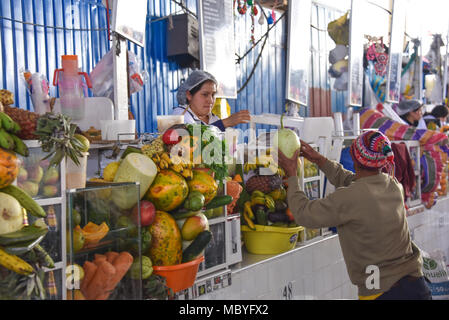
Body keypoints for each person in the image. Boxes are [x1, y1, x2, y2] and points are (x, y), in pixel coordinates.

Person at [277, 130, 432, 300]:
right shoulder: (392, 184)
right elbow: (356, 183)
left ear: (353, 157)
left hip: (384, 293)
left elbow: (304, 214)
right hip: (416, 286)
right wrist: (320, 161)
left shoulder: (351, 197)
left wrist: (292, 176)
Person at [172, 70, 251, 131]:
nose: (210, 101)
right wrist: (225, 123)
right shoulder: (181, 115)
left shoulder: (213, 119)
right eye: (205, 94)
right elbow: (194, 139)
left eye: (213, 95)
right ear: (189, 95)